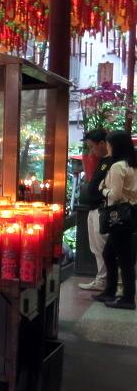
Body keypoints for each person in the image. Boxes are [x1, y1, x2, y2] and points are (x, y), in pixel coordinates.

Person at [93, 130, 137, 310]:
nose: (107, 147)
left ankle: (127, 298)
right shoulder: (132, 164)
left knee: (123, 258)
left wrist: (102, 189)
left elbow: (115, 195)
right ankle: (110, 291)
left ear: (116, 146)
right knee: (111, 254)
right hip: (130, 213)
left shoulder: (118, 166)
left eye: (109, 144)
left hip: (119, 215)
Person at [78, 129, 110, 291]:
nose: (91, 151)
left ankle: (106, 280)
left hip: (102, 208)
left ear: (102, 144)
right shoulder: (101, 161)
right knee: (96, 247)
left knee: (102, 246)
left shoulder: (111, 162)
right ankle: (102, 279)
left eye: (93, 147)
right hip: (93, 208)